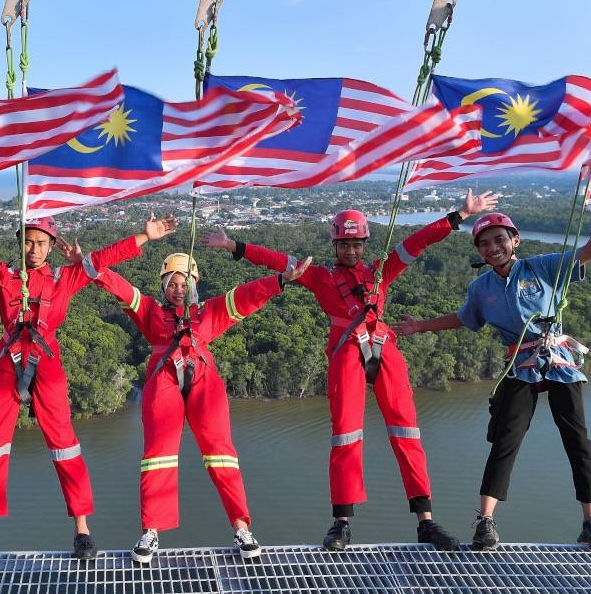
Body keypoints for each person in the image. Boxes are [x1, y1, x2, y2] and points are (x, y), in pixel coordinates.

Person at [204, 189, 497, 551]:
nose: (351, 251)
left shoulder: (380, 271)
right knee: (345, 435)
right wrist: (232, 245)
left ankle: (426, 521)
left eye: (356, 244)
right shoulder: (321, 277)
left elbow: (417, 242)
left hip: (383, 348)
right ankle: (341, 522)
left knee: (407, 433)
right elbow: (275, 259)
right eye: (345, 245)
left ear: (364, 244)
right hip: (347, 351)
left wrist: (460, 215)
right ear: (335, 245)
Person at [0, 209, 178, 560]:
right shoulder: (1, 274)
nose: (34, 250)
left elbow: (104, 258)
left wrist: (146, 236)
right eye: (28, 242)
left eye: (41, 243)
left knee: (65, 444)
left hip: (47, 361)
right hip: (8, 360)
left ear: (51, 245)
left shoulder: (63, 278)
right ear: (20, 245)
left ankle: (82, 530)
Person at [393, 208, 591, 552]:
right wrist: (419, 326)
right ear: (479, 251)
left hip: (557, 360)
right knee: (506, 440)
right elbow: (464, 318)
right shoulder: (482, 287)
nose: (492, 247)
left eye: (499, 239)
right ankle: (485, 521)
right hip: (520, 363)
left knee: (577, 439)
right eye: (484, 243)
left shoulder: (541, 267)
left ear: (515, 240)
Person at [79, 245, 312, 564]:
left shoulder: (210, 311)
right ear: (163, 287)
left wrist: (281, 280)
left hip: (203, 380)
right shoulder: (150, 312)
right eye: (172, 283)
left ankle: (242, 527)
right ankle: (151, 530)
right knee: (157, 456)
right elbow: (118, 285)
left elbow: (246, 295)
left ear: (195, 284)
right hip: (164, 381)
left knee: (221, 454)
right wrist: (90, 265)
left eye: (184, 282)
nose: (178, 289)